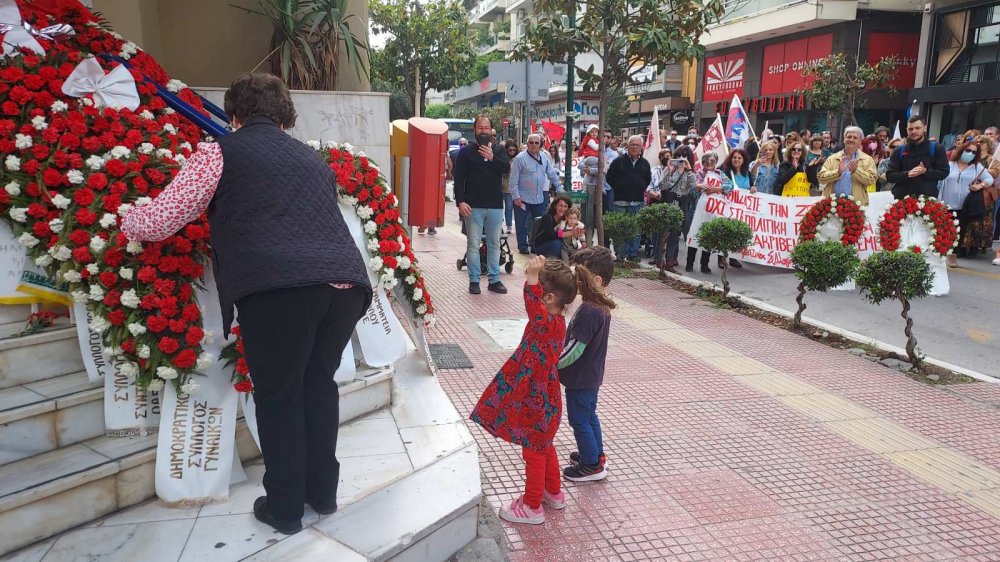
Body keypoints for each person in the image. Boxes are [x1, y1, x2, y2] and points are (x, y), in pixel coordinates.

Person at [121, 73, 373, 535]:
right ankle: (322, 493)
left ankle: (284, 509)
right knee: (318, 386)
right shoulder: (311, 159)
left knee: (278, 396)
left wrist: (126, 220)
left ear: (233, 115)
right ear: (285, 116)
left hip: (280, 289)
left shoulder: (219, 151)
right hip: (346, 285)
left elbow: (164, 218)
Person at [470, 256, 612, 525]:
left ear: (547, 298)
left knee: (533, 451)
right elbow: (534, 307)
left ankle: (532, 505)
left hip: (536, 398)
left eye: (538, 292)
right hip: (545, 396)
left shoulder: (544, 323)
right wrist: (536, 279)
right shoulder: (554, 322)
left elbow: (531, 305)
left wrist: (532, 278)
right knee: (543, 445)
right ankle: (553, 492)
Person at [558, 246, 617, 481]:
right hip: (590, 377)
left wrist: (552, 363)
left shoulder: (589, 311)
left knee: (579, 419)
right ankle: (595, 454)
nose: (575, 282)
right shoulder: (599, 305)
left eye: (579, 277)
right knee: (589, 416)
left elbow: (574, 350)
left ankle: (591, 464)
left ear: (596, 280)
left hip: (581, 379)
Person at [454, 114, 512, 295]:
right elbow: (459, 179)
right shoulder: (465, 152)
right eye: (480, 128)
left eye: (487, 128)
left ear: (492, 131)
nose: (484, 131)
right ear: (475, 130)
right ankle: (474, 280)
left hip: (495, 205)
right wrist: (460, 201)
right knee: (473, 244)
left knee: (495, 243)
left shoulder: (499, 150)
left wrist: (492, 156)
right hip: (473, 206)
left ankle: (494, 280)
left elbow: (505, 169)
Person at [940, 139, 995, 267]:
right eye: (968, 150)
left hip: (964, 205)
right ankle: (941, 253)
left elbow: (989, 179)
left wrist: (980, 185)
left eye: (973, 152)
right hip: (946, 203)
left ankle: (952, 255)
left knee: (959, 231)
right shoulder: (950, 164)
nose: (970, 153)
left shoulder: (976, 167)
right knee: (944, 230)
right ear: (962, 149)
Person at [510, 134, 563, 254]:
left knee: (539, 224)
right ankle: (522, 246)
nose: (534, 145)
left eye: (536, 143)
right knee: (521, 224)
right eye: (531, 143)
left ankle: (534, 245)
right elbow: (513, 180)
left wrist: (559, 187)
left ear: (540, 144)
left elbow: (552, 174)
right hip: (522, 198)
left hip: (539, 198)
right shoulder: (519, 159)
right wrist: (516, 197)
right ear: (527, 144)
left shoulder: (544, 157)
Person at [649, 146, 697, 271]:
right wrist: (669, 171)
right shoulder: (669, 169)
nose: (681, 159)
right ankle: (660, 262)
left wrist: (689, 169)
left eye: (685, 157)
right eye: (679, 156)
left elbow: (693, 187)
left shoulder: (690, 173)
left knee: (674, 237)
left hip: (681, 208)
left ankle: (669, 263)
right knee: (662, 235)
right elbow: (661, 185)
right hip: (668, 205)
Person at [606, 135, 651, 260]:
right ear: (628, 145)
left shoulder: (644, 163)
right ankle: (621, 255)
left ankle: (632, 255)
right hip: (619, 201)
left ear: (641, 147)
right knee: (620, 229)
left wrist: (639, 188)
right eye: (632, 144)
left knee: (635, 230)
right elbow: (609, 177)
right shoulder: (618, 161)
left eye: (637, 145)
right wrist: (619, 187)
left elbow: (648, 179)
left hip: (637, 202)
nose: (634, 147)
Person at [886, 116, 950, 200]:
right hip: (902, 202)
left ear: (925, 128)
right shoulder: (899, 151)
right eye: (910, 129)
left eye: (917, 128)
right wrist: (908, 174)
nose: (914, 131)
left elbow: (944, 173)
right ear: (907, 130)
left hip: (927, 202)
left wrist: (925, 171)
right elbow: (890, 176)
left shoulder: (937, 148)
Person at [817, 126, 877, 206]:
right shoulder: (832, 158)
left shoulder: (868, 160)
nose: (851, 139)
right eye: (848, 137)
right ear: (844, 139)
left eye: (855, 138)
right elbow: (821, 178)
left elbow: (871, 180)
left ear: (860, 141)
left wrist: (856, 171)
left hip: (856, 206)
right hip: (831, 205)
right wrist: (837, 172)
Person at [687, 153, 725, 273]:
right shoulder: (698, 174)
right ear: (702, 162)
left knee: (708, 237)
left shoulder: (720, 174)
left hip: (712, 211)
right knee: (694, 235)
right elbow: (691, 186)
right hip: (697, 210)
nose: (709, 162)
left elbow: (729, 186)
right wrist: (699, 185)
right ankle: (689, 264)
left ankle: (704, 265)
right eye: (706, 160)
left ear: (716, 162)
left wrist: (716, 189)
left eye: (712, 160)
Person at [501, 141, 520, 235]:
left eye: (514, 150)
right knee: (505, 207)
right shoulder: (504, 159)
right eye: (510, 150)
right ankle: (505, 225)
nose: (512, 151)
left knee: (511, 207)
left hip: (513, 187)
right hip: (504, 185)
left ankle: (511, 225)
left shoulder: (518, 159)